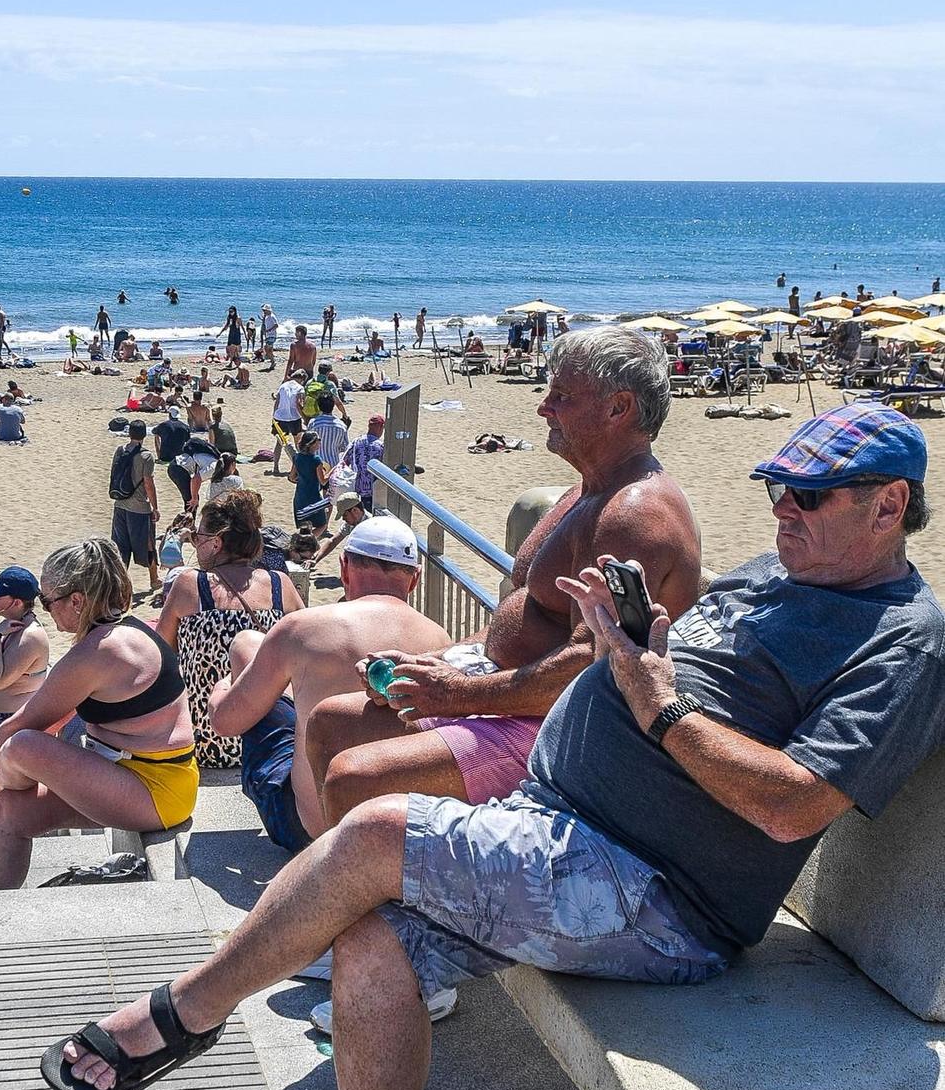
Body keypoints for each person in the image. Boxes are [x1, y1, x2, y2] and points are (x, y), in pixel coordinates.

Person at [50, 403, 945, 1090]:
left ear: (888, 503)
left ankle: (179, 1018)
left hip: (654, 896)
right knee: (372, 940)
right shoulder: (777, 578)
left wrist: (656, 702)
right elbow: (659, 663)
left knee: (375, 828)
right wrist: (617, 645)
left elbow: (796, 806)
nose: (782, 507)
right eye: (778, 489)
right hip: (563, 830)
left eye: (810, 495)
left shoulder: (900, 639)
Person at [308, 326, 701, 830]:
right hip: (511, 693)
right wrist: (434, 663)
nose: (544, 407)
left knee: (353, 776)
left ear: (618, 407)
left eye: (561, 395)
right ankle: (331, 884)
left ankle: (364, 899)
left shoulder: (633, 516)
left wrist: (456, 693)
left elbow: (591, 665)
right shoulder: (588, 489)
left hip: (565, 728)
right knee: (329, 724)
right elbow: (523, 618)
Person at [0, 539, 199, 888]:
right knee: (11, 811)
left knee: (20, 746)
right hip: (142, 778)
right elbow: (56, 714)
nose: (45, 609)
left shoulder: (99, 651)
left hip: (155, 790)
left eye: (47, 601)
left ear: (76, 600)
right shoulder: (127, 631)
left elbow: (27, 721)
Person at [205, 513, 447, 844]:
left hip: (306, 828)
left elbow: (226, 724)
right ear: (415, 579)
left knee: (246, 645)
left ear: (344, 567)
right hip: (392, 829)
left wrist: (220, 693)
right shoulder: (441, 641)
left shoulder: (301, 628)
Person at [158, 492, 305, 767]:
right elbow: (308, 646)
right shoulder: (279, 586)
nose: (195, 544)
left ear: (216, 543)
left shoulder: (191, 585)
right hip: (269, 741)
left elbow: (160, 654)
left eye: (196, 538)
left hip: (206, 742)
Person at [0, 565, 50, 737]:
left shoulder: (30, 636)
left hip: (10, 722)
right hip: (1, 719)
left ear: (17, 602)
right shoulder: (16, 626)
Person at [109, 420, 161, 593]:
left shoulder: (120, 450)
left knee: (120, 547)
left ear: (129, 433)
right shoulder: (146, 456)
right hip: (139, 508)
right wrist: (155, 507)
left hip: (120, 504)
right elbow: (148, 484)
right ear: (144, 435)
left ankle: (119, 586)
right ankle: (154, 580)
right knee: (147, 544)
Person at [154, 407, 193, 511]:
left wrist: (158, 453)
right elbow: (187, 443)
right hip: (178, 456)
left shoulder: (163, 425)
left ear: (169, 415)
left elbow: (156, 435)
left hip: (165, 456)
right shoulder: (185, 427)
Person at [290, 430, 330, 529]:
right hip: (313, 497)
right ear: (312, 444)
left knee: (304, 528)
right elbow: (323, 481)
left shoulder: (297, 457)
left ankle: (306, 542)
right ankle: (310, 541)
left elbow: (292, 477)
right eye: (318, 440)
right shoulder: (316, 460)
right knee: (322, 525)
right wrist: (332, 471)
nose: (320, 442)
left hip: (300, 496)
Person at [270, 372, 306, 476]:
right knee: (298, 443)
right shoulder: (300, 388)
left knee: (279, 443)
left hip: (280, 417)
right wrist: (304, 417)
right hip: (295, 417)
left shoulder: (283, 386)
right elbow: (300, 403)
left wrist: (274, 416)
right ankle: (298, 467)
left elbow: (277, 402)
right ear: (302, 379)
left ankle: (275, 467)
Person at [346, 414, 385, 510]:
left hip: (356, 489)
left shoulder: (356, 441)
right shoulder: (381, 446)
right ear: (380, 427)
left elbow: (345, 461)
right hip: (373, 491)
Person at [311, 391, 349, 473]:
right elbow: (344, 447)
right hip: (333, 465)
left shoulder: (313, 423)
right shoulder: (341, 426)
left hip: (316, 465)